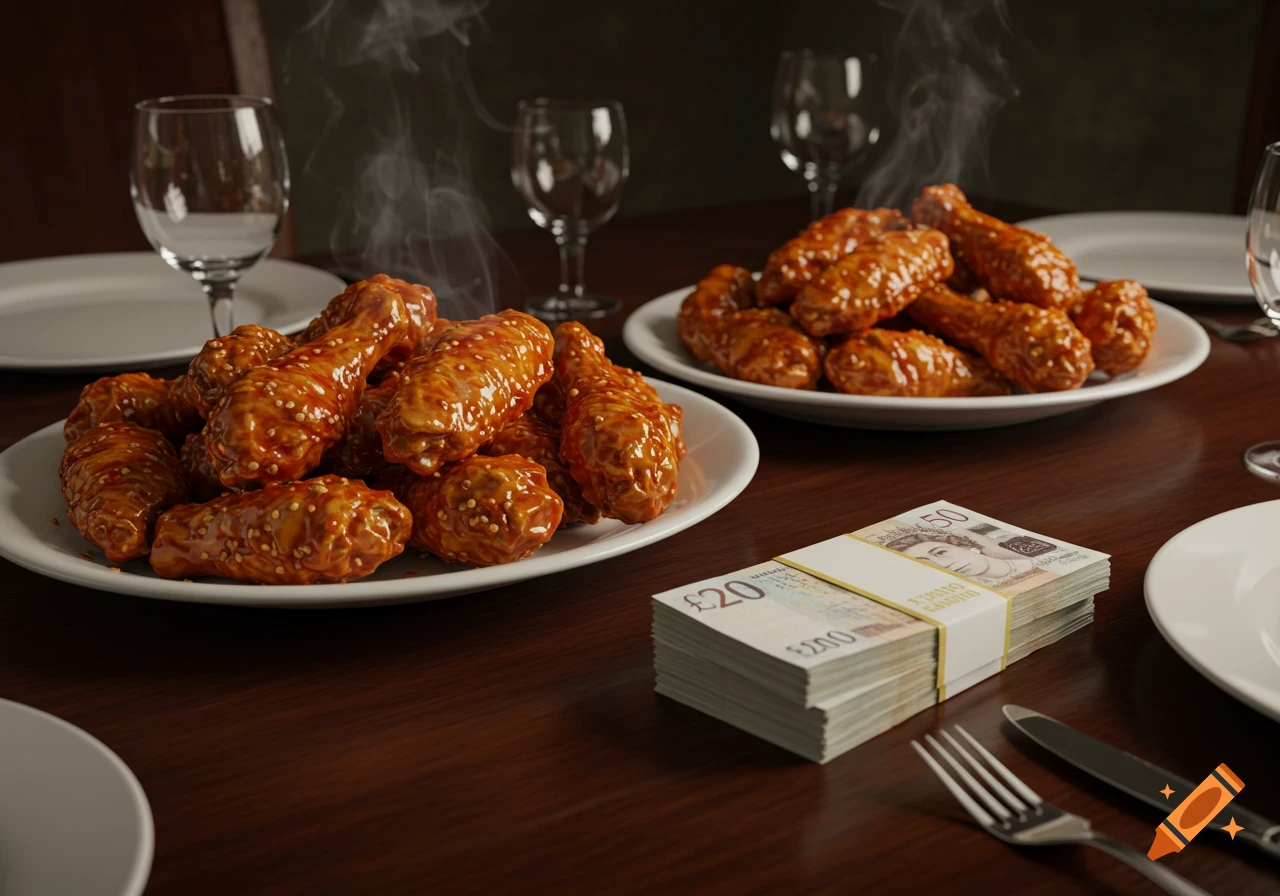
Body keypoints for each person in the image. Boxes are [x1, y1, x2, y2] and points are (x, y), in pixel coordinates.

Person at [883, 530, 1035, 585]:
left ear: (969, 546)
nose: (941, 565)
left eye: (940, 552)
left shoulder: (1032, 564)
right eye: (924, 563)